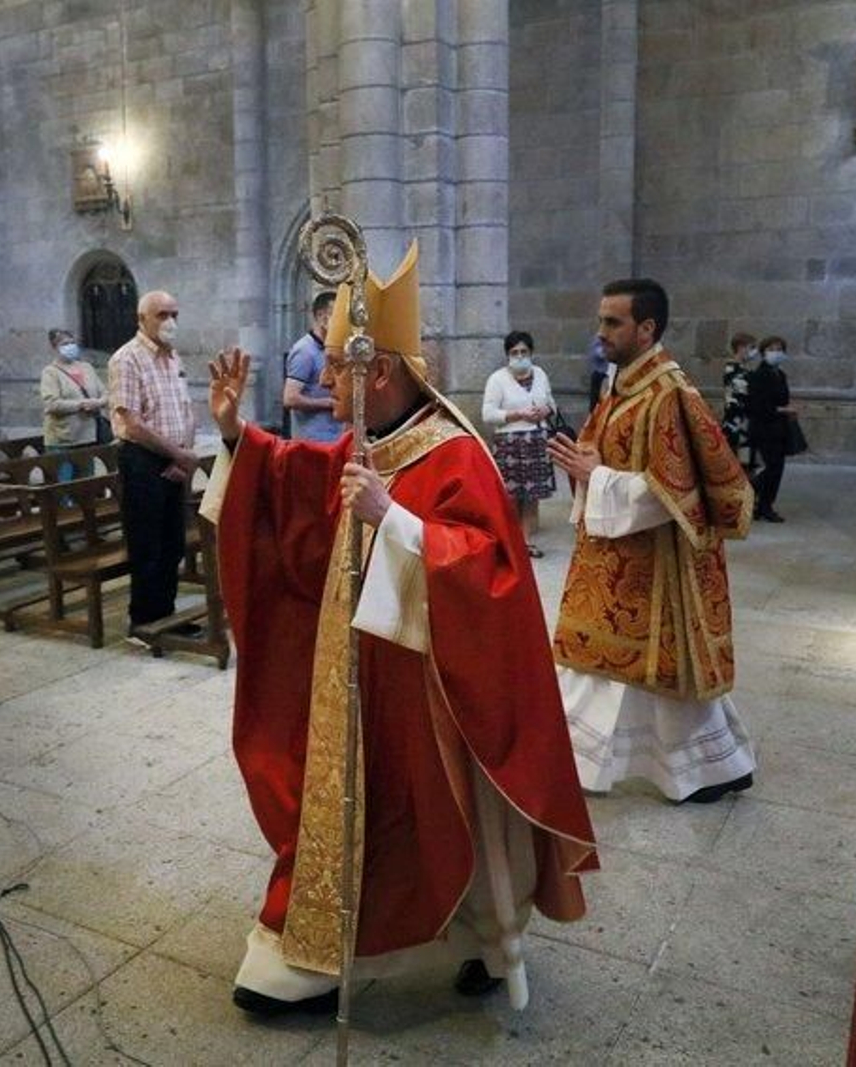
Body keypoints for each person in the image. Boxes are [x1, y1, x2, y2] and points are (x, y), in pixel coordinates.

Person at [200, 240, 596, 1017]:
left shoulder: (454, 452)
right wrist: (239, 440)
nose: (328, 386)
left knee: (443, 815)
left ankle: (485, 940)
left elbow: (491, 572)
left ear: (377, 371)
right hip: (362, 675)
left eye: (339, 372)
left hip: (436, 689)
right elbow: (305, 481)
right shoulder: (373, 441)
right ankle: (327, 955)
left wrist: (400, 523)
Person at [548, 279, 757, 805]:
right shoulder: (620, 385)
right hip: (614, 555)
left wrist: (597, 477)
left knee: (659, 668)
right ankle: (701, 766)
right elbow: (603, 452)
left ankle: (709, 768)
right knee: (608, 662)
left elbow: (675, 493)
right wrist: (586, 468)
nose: (601, 332)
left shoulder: (669, 394)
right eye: (601, 320)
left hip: (657, 565)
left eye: (613, 322)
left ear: (647, 328)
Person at [108, 290, 199, 643]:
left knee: (173, 543)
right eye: (162, 314)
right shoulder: (126, 359)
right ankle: (143, 623)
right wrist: (177, 454)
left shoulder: (172, 357)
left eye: (174, 313)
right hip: (142, 461)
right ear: (142, 319)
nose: (170, 321)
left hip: (174, 458)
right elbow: (131, 423)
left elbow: (185, 410)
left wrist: (184, 454)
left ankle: (166, 615)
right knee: (148, 545)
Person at [482, 331, 557, 558]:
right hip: (511, 445)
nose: (520, 356)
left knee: (531, 496)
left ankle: (526, 542)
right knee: (511, 497)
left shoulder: (541, 374)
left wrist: (546, 410)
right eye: (515, 352)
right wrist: (518, 414)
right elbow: (488, 414)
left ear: (531, 353)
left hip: (537, 441)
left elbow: (551, 402)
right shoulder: (497, 379)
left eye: (524, 352)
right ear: (508, 355)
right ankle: (510, 543)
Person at [39, 328, 107, 480]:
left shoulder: (86, 368)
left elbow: (105, 394)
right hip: (63, 439)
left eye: (72, 343)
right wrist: (81, 405)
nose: (70, 346)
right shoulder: (50, 372)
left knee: (86, 484)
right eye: (65, 344)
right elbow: (51, 404)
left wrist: (98, 402)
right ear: (54, 347)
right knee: (65, 484)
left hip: (88, 436)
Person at [281, 291, 341, 442]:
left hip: (335, 437)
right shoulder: (304, 351)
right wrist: (327, 403)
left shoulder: (333, 347)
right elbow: (290, 398)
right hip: (313, 440)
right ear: (322, 317)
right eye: (337, 316)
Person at [746, 335, 793, 523]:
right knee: (773, 468)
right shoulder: (759, 375)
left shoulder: (780, 375)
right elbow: (757, 406)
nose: (777, 352)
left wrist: (787, 410)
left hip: (779, 427)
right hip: (764, 428)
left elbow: (782, 398)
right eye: (772, 349)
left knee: (777, 467)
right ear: (764, 352)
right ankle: (762, 503)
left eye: (780, 349)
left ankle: (760, 502)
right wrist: (782, 409)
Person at [719, 332, 758, 472]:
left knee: (745, 463)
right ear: (741, 347)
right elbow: (739, 399)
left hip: (743, 424)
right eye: (751, 347)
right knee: (739, 465)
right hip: (737, 425)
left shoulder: (742, 369)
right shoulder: (733, 369)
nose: (754, 351)